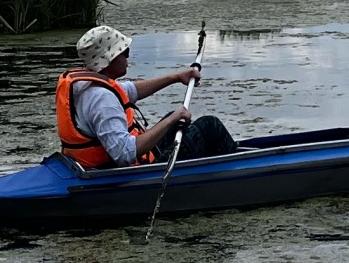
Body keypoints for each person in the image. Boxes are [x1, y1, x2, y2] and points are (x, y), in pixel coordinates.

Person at [56, 24, 236, 169]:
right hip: (129, 173)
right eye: (124, 52)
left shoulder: (86, 85)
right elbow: (124, 154)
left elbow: (131, 90)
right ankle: (237, 170)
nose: (128, 57)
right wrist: (173, 118)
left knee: (175, 120)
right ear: (109, 59)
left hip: (119, 163)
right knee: (209, 126)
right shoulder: (102, 100)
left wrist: (175, 77)